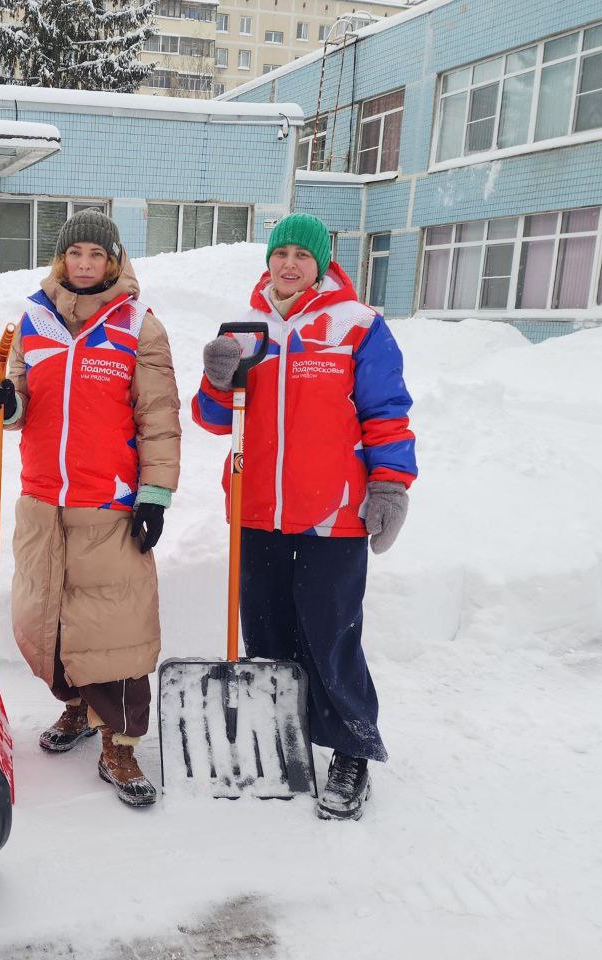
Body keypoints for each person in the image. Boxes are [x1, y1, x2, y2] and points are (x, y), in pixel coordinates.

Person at [192, 213, 416, 821]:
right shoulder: (245, 328)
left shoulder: (357, 326)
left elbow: (386, 411)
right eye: (280, 252)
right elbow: (215, 419)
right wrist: (216, 380)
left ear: (321, 264)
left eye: (302, 255)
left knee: (330, 633)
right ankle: (275, 735)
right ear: (268, 260)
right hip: (257, 509)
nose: (289, 264)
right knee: (266, 635)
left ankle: (351, 747)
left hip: (332, 512)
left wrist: (390, 484)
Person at [0, 209, 181, 808]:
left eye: (97, 254)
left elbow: (159, 418)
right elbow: (20, 405)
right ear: (61, 259)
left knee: (116, 631)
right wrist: (4, 402)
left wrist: (155, 495)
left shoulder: (139, 326)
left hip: (109, 503)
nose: (85, 264)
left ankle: (120, 743)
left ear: (114, 261)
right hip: (43, 501)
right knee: (50, 621)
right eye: (76, 253)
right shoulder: (33, 322)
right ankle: (76, 707)